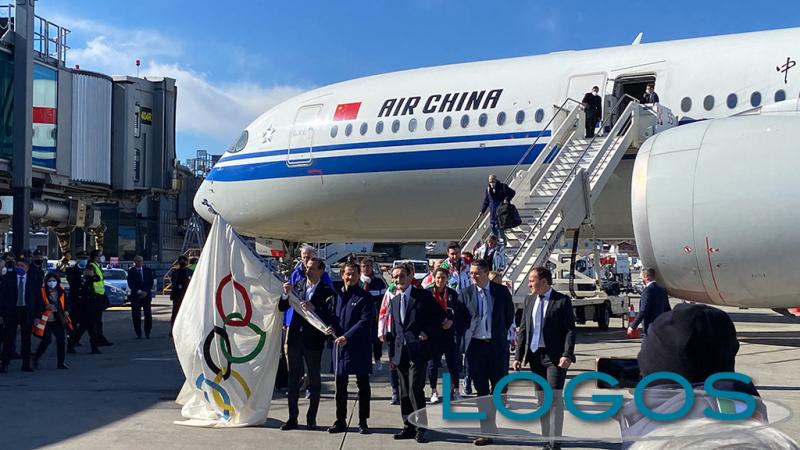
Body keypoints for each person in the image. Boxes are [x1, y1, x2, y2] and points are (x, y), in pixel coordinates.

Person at [513, 267, 576, 450]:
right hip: (534, 357)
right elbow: (523, 329)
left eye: (532, 280)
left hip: (555, 358)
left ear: (544, 281)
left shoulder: (562, 301)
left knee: (555, 399)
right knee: (541, 400)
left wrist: (567, 354)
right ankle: (546, 439)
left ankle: (555, 442)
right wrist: (518, 356)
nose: (529, 284)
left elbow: (570, 330)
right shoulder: (529, 299)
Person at [461, 258, 515, 446]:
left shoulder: (500, 292)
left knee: (498, 388)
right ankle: (487, 429)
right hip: (475, 347)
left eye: (477, 273)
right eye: (471, 273)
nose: (473, 276)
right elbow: (461, 319)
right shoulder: (466, 293)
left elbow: (509, 315)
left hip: (496, 346)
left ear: (486, 273)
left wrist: (498, 333)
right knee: (481, 390)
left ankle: (491, 424)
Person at [278, 257, 336, 431]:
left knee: (314, 380)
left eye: (312, 268)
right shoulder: (298, 286)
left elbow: (330, 315)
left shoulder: (326, 291)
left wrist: (314, 307)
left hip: (313, 341)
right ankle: (292, 418)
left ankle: (312, 418)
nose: (308, 271)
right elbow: (282, 307)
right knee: (293, 379)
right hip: (295, 338)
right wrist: (285, 294)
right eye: (306, 268)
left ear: (321, 271)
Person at [389, 264, 443, 444]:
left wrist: (427, 331)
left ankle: (421, 427)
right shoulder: (394, 300)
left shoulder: (422, 296)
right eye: (395, 277)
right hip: (401, 352)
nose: (398, 280)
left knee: (415, 389)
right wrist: (392, 355)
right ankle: (408, 426)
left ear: (410, 276)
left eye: (402, 276)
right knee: (404, 391)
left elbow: (439, 316)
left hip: (418, 351)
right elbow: (395, 330)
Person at [328, 261, 375, 435]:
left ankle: (363, 421)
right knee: (340, 387)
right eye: (348, 274)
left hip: (359, 346)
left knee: (363, 385)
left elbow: (365, 321)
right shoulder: (336, 295)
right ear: (342, 275)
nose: (351, 277)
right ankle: (340, 420)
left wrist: (347, 336)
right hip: (340, 347)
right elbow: (331, 315)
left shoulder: (365, 297)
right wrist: (329, 327)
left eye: (354, 274)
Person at [427, 267, 469, 404]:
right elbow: (423, 314)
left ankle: (455, 390)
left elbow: (459, 314)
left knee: (453, 364)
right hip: (433, 335)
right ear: (434, 278)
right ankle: (434, 391)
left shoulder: (453, 294)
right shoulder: (428, 293)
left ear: (447, 278)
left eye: (443, 278)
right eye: (438, 277)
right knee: (432, 364)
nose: (440, 280)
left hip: (449, 335)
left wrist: (452, 322)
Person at [0, 257, 42, 372]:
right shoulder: (8, 278)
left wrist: (38, 316)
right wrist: (2, 314)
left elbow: (38, 299)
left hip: (26, 311)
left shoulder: (33, 280)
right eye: (17, 266)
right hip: (12, 311)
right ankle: (4, 364)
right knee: (8, 338)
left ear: (27, 268)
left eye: (22, 266)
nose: (19, 268)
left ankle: (26, 365)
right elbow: (2, 297)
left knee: (26, 339)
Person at [32, 273, 70, 370]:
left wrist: (66, 311)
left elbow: (66, 304)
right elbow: (37, 305)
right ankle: (36, 358)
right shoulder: (41, 292)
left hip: (57, 319)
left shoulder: (61, 291)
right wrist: (45, 308)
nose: (52, 283)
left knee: (61, 340)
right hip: (45, 319)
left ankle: (61, 362)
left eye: (54, 281)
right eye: (49, 281)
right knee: (47, 339)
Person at [67, 254, 102, 355]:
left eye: (85, 259)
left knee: (91, 326)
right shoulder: (72, 270)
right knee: (76, 326)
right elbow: (75, 284)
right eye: (81, 259)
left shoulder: (90, 268)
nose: (83, 261)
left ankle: (94, 347)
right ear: (77, 260)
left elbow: (97, 278)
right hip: (77, 303)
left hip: (89, 303)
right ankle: (71, 345)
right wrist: (85, 277)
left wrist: (90, 276)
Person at [359, 257, 387, 365]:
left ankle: (377, 357)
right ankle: (364, 358)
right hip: (361, 316)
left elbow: (384, 299)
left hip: (375, 316)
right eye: (363, 266)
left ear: (372, 267)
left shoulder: (379, 282)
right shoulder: (357, 282)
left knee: (376, 338)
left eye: (368, 266)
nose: (366, 268)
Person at [628, 268, 671, 338]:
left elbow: (643, 310)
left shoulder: (647, 291)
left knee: (648, 348)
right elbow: (667, 309)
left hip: (650, 327)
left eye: (642, 277)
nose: (641, 280)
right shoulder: (662, 290)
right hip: (660, 327)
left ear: (647, 277)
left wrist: (633, 326)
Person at [87, 250, 112, 346]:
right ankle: (98, 338)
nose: (101, 257)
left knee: (97, 320)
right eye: (99, 256)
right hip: (95, 296)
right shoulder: (91, 266)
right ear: (95, 257)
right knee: (95, 320)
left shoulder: (97, 266)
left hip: (100, 295)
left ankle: (99, 337)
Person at [480, 175, 516, 243]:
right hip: (493, 214)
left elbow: (512, 192)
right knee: (494, 230)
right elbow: (486, 201)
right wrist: (482, 211)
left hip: (501, 213)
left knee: (500, 230)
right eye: (490, 182)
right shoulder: (488, 189)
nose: (492, 183)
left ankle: (503, 244)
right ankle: (497, 244)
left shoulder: (503, 187)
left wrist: (506, 199)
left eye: (493, 181)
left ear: (496, 180)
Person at [127, 256, 155, 339]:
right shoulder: (131, 271)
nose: (139, 263)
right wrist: (139, 291)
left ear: (143, 262)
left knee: (148, 314)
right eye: (137, 261)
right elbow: (130, 283)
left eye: (140, 261)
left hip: (146, 295)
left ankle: (147, 332)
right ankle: (138, 333)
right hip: (136, 296)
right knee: (136, 315)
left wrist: (146, 292)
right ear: (134, 262)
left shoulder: (148, 270)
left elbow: (150, 282)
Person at [169, 255, 192, 336]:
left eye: (184, 261)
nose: (182, 263)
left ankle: (185, 330)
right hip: (177, 296)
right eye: (181, 261)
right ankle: (173, 330)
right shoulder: (175, 272)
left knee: (186, 314)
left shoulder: (189, 272)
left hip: (186, 296)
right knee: (175, 314)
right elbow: (174, 283)